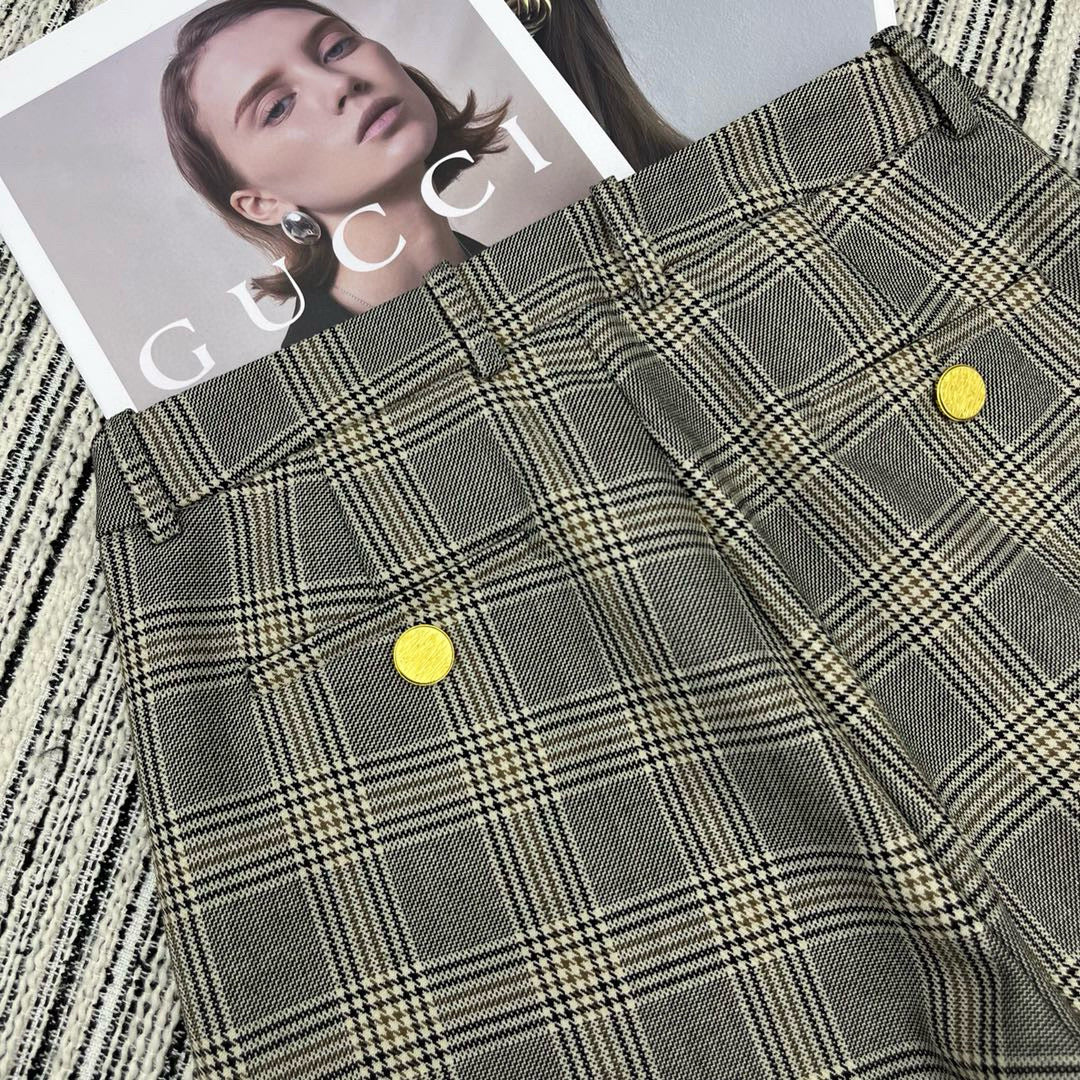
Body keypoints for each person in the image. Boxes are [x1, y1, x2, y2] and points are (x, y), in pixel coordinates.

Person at [160, 0, 690, 352]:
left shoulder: (544, 274)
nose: (339, 83)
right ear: (261, 203)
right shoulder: (316, 398)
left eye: (336, 48)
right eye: (277, 107)